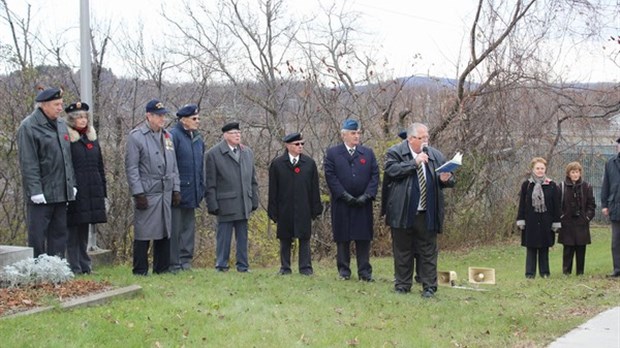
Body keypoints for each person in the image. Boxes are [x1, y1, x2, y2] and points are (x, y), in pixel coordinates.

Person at [384, 123, 455, 297]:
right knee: (403, 250)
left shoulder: (435, 155)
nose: (426, 141)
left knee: (428, 251)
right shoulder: (396, 152)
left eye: (427, 137)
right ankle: (402, 284)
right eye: (422, 138)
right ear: (411, 139)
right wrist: (414, 163)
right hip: (403, 210)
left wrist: (447, 179)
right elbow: (391, 170)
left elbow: (449, 180)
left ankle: (429, 286)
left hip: (427, 212)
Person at [17, 87, 76, 258]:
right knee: (37, 236)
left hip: (60, 191)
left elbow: (66, 157)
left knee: (59, 236)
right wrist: (35, 191)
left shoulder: (60, 124)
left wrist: (71, 184)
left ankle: (56, 273)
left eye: (61, 104)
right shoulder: (29, 126)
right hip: (41, 193)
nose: (60, 108)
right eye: (56, 104)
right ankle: (38, 273)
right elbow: (29, 162)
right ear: (43, 105)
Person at [125, 99, 180, 275]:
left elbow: (174, 165)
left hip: (165, 189)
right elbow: (132, 167)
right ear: (148, 116)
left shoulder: (168, 136)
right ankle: (140, 269)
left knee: (165, 230)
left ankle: (161, 268)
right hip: (148, 190)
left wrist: (176, 188)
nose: (162, 118)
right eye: (158, 115)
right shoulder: (136, 136)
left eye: (163, 115)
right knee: (144, 232)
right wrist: (138, 192)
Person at [324, 119, 379, 282]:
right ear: (344, 135)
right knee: (343, 238)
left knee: (363, 238)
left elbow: (374, 176)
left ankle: (365, 272)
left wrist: (367, 195)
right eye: (353, 133)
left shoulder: (367, 153)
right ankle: (344, 271)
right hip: (342, 203)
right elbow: (331, 176)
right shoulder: (333, 153)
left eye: (358, 133)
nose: (356, 136)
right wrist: (344, 195)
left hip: (363, 203)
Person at [205, 122, 259, 273]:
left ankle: (243, 265)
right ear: (225, 135)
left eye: (239, 133)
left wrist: (254, 199)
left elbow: (253, 180)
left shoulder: (247, 152)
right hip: (225, 203)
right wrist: (212, 203)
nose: (237, 135)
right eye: (234, 133)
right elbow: (210, 183)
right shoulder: (213, 154)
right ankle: (221, 265)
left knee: (243, 236)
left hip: (244, 202)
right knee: (224, 237)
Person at [268, 132, 323, 275]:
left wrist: (316, 208)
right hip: (285, 207)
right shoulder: (278, 164)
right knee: (285, 238)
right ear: (288, 146)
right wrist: (273, 211)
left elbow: (314, 188)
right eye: (297, 144)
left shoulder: (309, 163)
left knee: (304, 237)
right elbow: (273, 190)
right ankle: (285, 267)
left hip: (304, 207)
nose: (300, 147)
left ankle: (305, 268)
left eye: (302, 144)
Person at [64, 102, 108, 274]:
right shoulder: (68, 139)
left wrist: (103, 192)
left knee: (84, 229)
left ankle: (85, 265)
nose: (82, 120)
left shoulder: (91, 137)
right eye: (78, 117)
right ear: (71, 120)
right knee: (72, 230)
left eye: (84, 117)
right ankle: (74, 265)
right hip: (76, 190)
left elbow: (100, 165)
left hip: (92, 189)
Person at [168, 104, 205, 272]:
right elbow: (171, 164)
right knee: (175, 228)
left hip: (193, 190)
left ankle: (186, 261)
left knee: (188, 228)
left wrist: (201, 187)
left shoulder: (197, 139)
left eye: (198, 118)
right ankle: (173, 262)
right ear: (183, 120)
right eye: (194, 119)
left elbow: (200, 166)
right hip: (177, 191)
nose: (198, 121)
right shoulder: (173, 136)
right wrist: (175, 189)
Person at [516, 157, 561, 279]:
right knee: (531, 249)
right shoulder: (527, 185)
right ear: (533, 169)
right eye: (537, 168)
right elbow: (522, 204)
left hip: (546, 221)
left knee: (544, 248)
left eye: (542, 168)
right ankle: (530, 274)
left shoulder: (551, 185)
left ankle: (545, 273)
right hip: (531, 221)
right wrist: (521, 220)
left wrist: (556, 222)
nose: (540, 171)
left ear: (545, 169)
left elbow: (556, 205)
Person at [558, 162, 596, 276]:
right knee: (568, 249)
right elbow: (557, 205)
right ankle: (566, 272)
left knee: (581, 249)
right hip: (567, 223)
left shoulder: (586, 186)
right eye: (573, 172)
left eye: (577, 172)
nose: (575, 174)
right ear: (568, 173)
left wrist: (587, 217)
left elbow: (591, 205)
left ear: (580, 173)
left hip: (581, 223)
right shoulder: (561, 186)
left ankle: (580, 273)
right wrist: (561, 217)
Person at [601, 137, 620, 278]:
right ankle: (617, 269)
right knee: (616, 241)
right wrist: (604, 205)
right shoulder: (611, 163)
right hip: (615, 206)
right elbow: (605, 185)